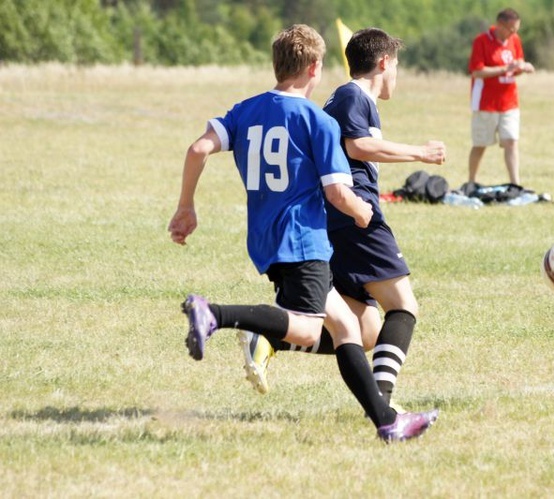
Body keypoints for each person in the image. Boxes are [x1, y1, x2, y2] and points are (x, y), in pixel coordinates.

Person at [167, 24, 438, 442]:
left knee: (350, 328)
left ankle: (387, 420)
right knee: (311, 330)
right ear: (314, 67)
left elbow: (198, 148)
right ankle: (215, 314)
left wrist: (186, 206)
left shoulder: (246, 109)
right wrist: (362, 211)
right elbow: (337, 191)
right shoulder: (317, 120)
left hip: (264, 238)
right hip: (303, 238)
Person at [239, 28, 446, 410]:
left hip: (339, 220)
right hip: (355, 218)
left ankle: (270, 336)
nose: (397, 75)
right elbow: (358, 145)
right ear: (384, 62)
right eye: (397, 65)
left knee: (363, 329)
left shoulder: (352, 99)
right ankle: (382, 401)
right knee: (403, 307)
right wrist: (420, 152)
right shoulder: (354, 94)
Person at [466, 8, 535, 188]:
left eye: (516, 30)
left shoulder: (515, 40)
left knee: (511, 141)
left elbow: (515, 68)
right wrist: (505, 68)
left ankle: (515, 184)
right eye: (511, 29)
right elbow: (477, 71)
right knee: (480, 144)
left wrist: (522, 68)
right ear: (500, 25)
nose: (514, 33)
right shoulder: (481, 41)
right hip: (485, 103)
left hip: (509, 102)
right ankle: (471, 181)